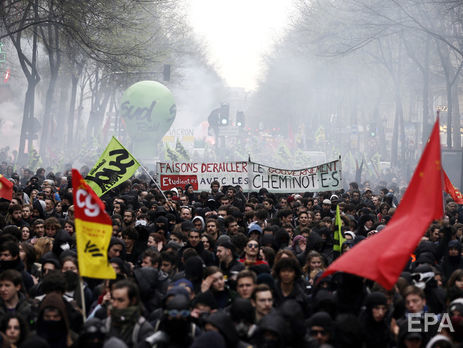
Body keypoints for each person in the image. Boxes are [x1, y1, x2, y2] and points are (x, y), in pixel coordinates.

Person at [104, 279, 154, 347]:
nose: (115, 304)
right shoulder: (106, 324)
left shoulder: (143, 329)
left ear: (133, 301)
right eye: (114, 299)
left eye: (120, 300)